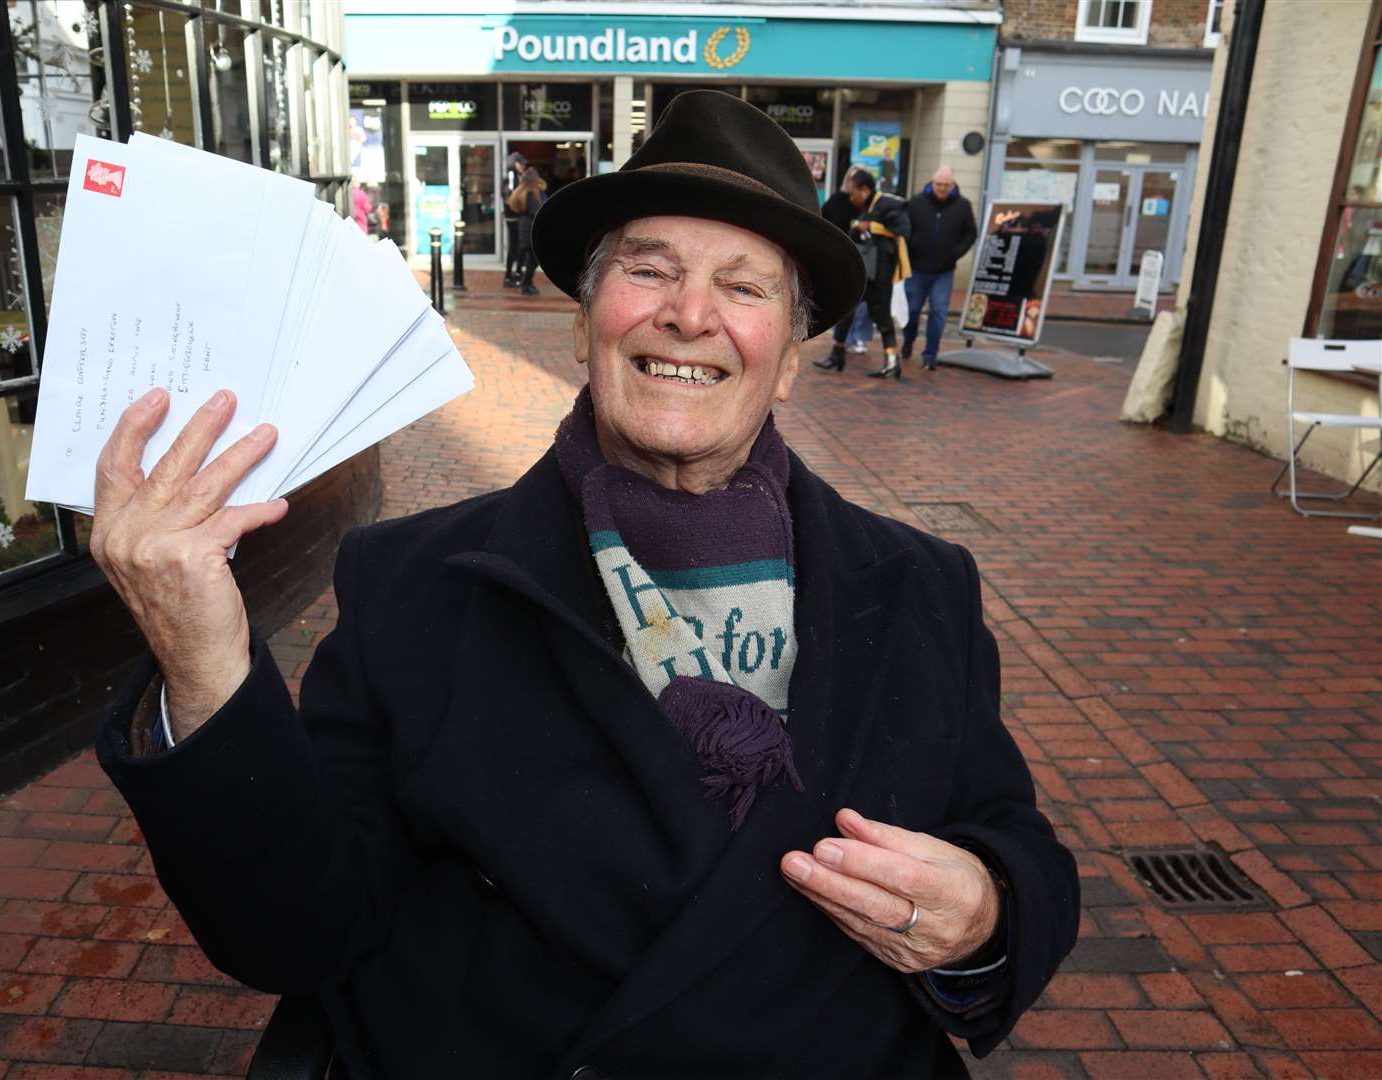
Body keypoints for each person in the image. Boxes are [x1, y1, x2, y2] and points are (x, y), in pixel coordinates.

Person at [92, 89, 1078, 1078]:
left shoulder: (918, 587)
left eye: (744, 288)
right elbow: (296, 934)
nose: (689, 314)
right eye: (650, 270)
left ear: (788, 362)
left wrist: (983, 913)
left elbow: (1011, 844)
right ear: (583, 324)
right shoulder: (412, 584)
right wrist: (204, 659)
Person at [903, 165, 978, 370]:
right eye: (938, 184)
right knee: (912, 310)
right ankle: (908, 341)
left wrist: (956, 253)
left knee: (938, 312)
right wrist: (909, 250)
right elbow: (904, 229)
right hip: (916, 269)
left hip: (943, 271)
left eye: (946, 185)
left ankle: (930, 353)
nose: (942, 188)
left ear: (952, 185)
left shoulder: (963, 206)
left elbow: (970, 234)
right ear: (932, 183)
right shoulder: (917, 202)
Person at [844, 168, 913, 380]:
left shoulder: (889, 204)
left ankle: (892, 363)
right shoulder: (869, 206)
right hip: (869, 269)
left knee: (882, 314)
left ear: (864, 190)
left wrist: (870, 226)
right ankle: (838, 352)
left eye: (852, 192)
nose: (850, 197)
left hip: (883, 271)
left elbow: (903, 229)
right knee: (850, 307)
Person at [815, 166, 875, 372]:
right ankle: (838, 352)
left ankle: (887, 354)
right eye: (849, 179)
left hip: (868, 264)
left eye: (855, 182)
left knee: (876, 311)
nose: (851, 186)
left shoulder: (873, 205)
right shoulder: (837, 200)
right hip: (843, 260)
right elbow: (822, 220)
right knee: (848, 307)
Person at [515, 166, 548, 296]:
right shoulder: (531, 193)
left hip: (525, 227)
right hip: (531, 229)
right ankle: (526, 283)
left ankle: (527, 282)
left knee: (531, 259)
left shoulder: (522, 191)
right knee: (533, 259)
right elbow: (537, 211)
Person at [501, 151, 527, 288]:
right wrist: (517, 207)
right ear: (515, 163)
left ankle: (515, 273)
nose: (523, 165)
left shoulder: (517, 175)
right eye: (521, 163)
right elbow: (510, 195)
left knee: (517, 245)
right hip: (513, 217)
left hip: (515, 216)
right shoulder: (511, 175)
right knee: (514, 246)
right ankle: (508, 276)